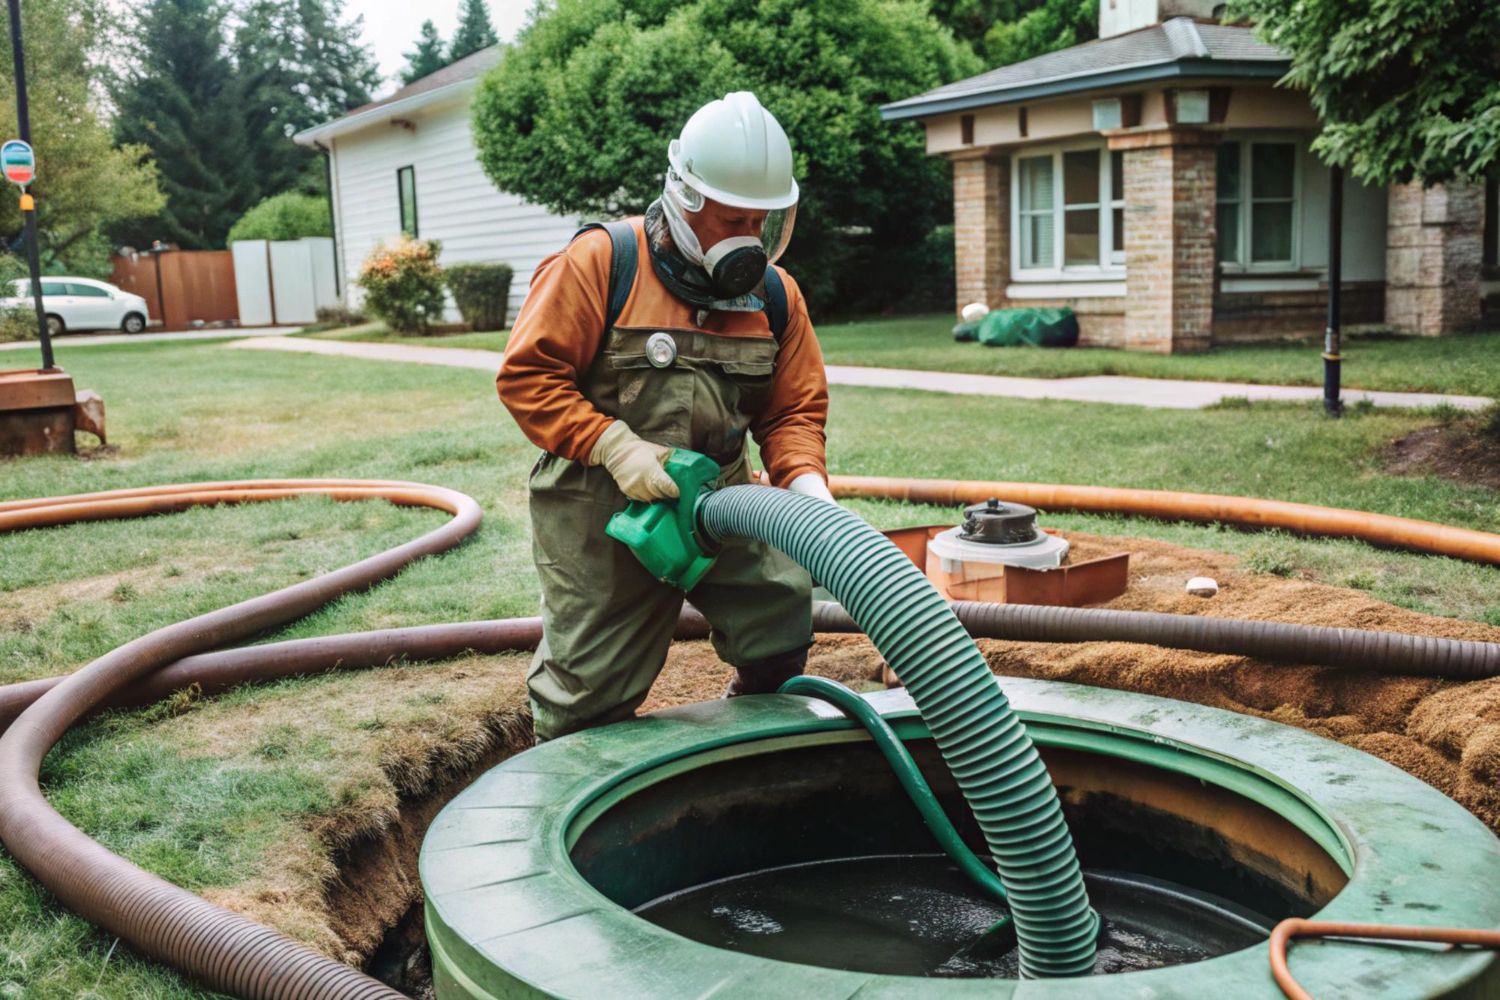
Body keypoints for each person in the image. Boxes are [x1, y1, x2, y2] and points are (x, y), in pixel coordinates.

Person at [497, 91, 835, 742]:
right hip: (602, 505)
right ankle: (563, 787)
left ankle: (758, 747)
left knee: (780, 616)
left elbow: (792, 408)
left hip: (722, 497)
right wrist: (611, 445)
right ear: (685, 198)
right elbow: (527, 375)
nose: (749, 239)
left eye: (760, 222)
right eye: (732, 218)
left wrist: (807, 487)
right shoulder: (602, 264)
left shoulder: (772, 296)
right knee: (587, 691)